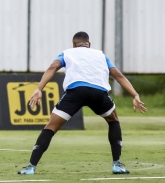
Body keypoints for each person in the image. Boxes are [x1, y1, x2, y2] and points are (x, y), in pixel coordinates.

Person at [18, 31, 147, 175]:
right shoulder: (101, 55)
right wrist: (135, 95)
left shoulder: (67, 53)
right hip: (99, 93)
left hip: (76, 92)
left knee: (51, 127)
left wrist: (39, 88)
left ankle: (31, 167)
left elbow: (53, 67)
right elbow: (118, 75)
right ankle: (117, 164)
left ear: (73, 45)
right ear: (89, 44)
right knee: (113, 120)